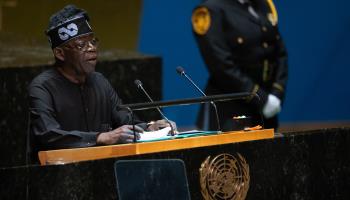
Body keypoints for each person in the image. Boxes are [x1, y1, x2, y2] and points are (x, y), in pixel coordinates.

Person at [28, 5, 174, 154]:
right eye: (81, 45)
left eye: (93, 41)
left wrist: (150, 126)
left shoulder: (99, 81)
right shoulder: (42, 87)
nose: (92, 48)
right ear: (60, 53)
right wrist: (101, 137)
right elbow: (48, 135)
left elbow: (125, 120)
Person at [191, 0, 288, 130]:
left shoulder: (263, 4)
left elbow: (280, 53)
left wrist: (277, 92)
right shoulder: (210, 10)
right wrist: (261, 99)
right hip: (230, 111)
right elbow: (221, 67)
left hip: (267, 109)